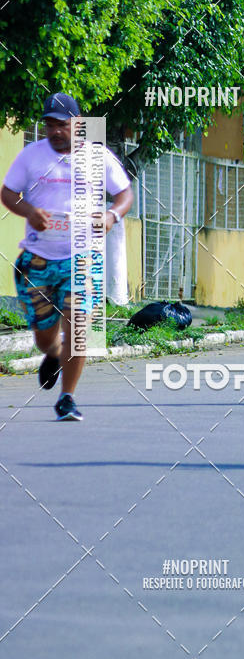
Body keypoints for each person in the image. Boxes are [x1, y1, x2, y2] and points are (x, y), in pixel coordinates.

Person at [1, 93, 134, 420]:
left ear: (78, 123)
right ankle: (53, 355)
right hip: (39, 261)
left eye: (62, 124)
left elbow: (124, 193)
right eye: (49, 124)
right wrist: (28, 211)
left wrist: (111, 216)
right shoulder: (31, 156)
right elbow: (7, 192)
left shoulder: (96, 156)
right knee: (46, 337)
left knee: (78, 328)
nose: (55, 131)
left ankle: (67, 398)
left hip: (81, 259)